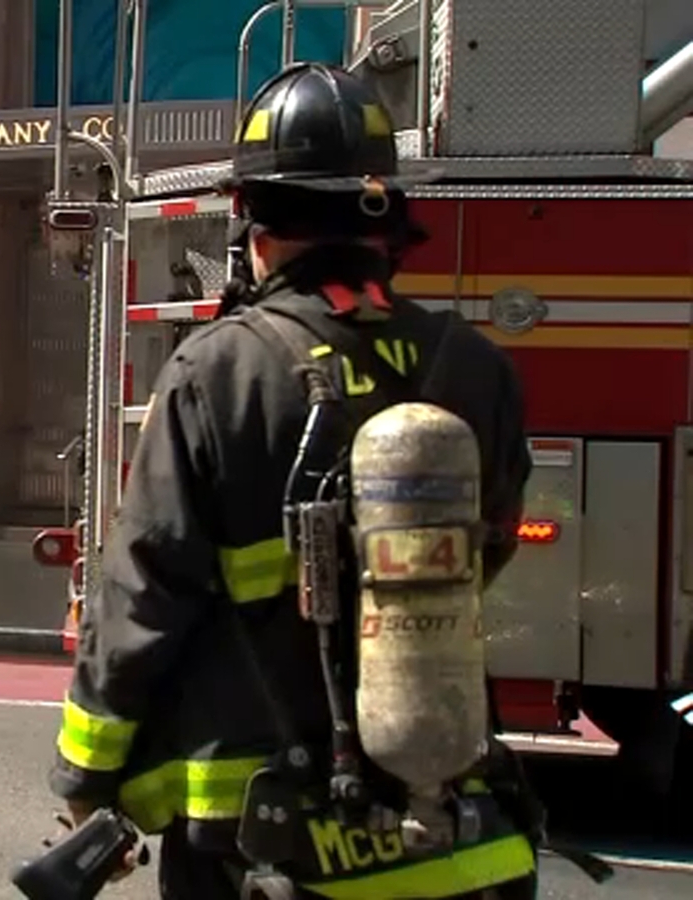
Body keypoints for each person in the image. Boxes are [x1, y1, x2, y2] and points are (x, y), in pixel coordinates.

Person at [48, 62, 541, 899]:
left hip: (263, 838)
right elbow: (484, 552)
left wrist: (85, 772)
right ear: (387, 224)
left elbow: (145, 595)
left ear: (250, 220)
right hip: (456, 835)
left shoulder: (220, 371)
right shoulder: (474, 368)